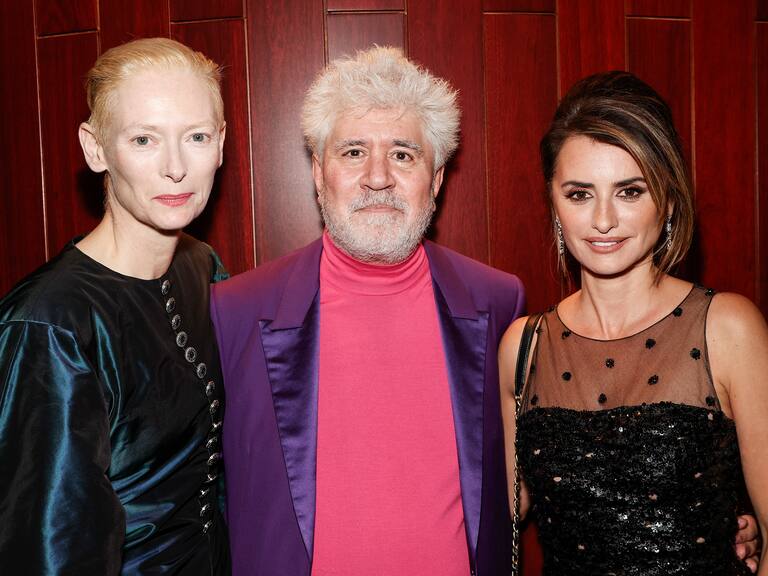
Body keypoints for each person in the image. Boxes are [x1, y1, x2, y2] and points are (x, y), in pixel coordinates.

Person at [210, 46, 525, 575]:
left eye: (403, 154)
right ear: (317, 171)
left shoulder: (497, 302)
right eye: (353, 152)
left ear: (438, 178)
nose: (377, 177)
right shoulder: (235, 310)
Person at [500, 71, 767, 575]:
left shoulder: (728, 328)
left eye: (629, 191)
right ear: (554, 203)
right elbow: (491, 512)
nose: (603, 219)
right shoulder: (523, 347)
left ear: (667, 200)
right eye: (579, 194)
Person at [0, 38, 230, 574]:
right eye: (144, 139)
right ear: (95, 148)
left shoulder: (200, 266)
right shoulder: (50, 326)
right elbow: (47, 548)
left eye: (196, 137)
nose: (176, 168)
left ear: (220, 143)